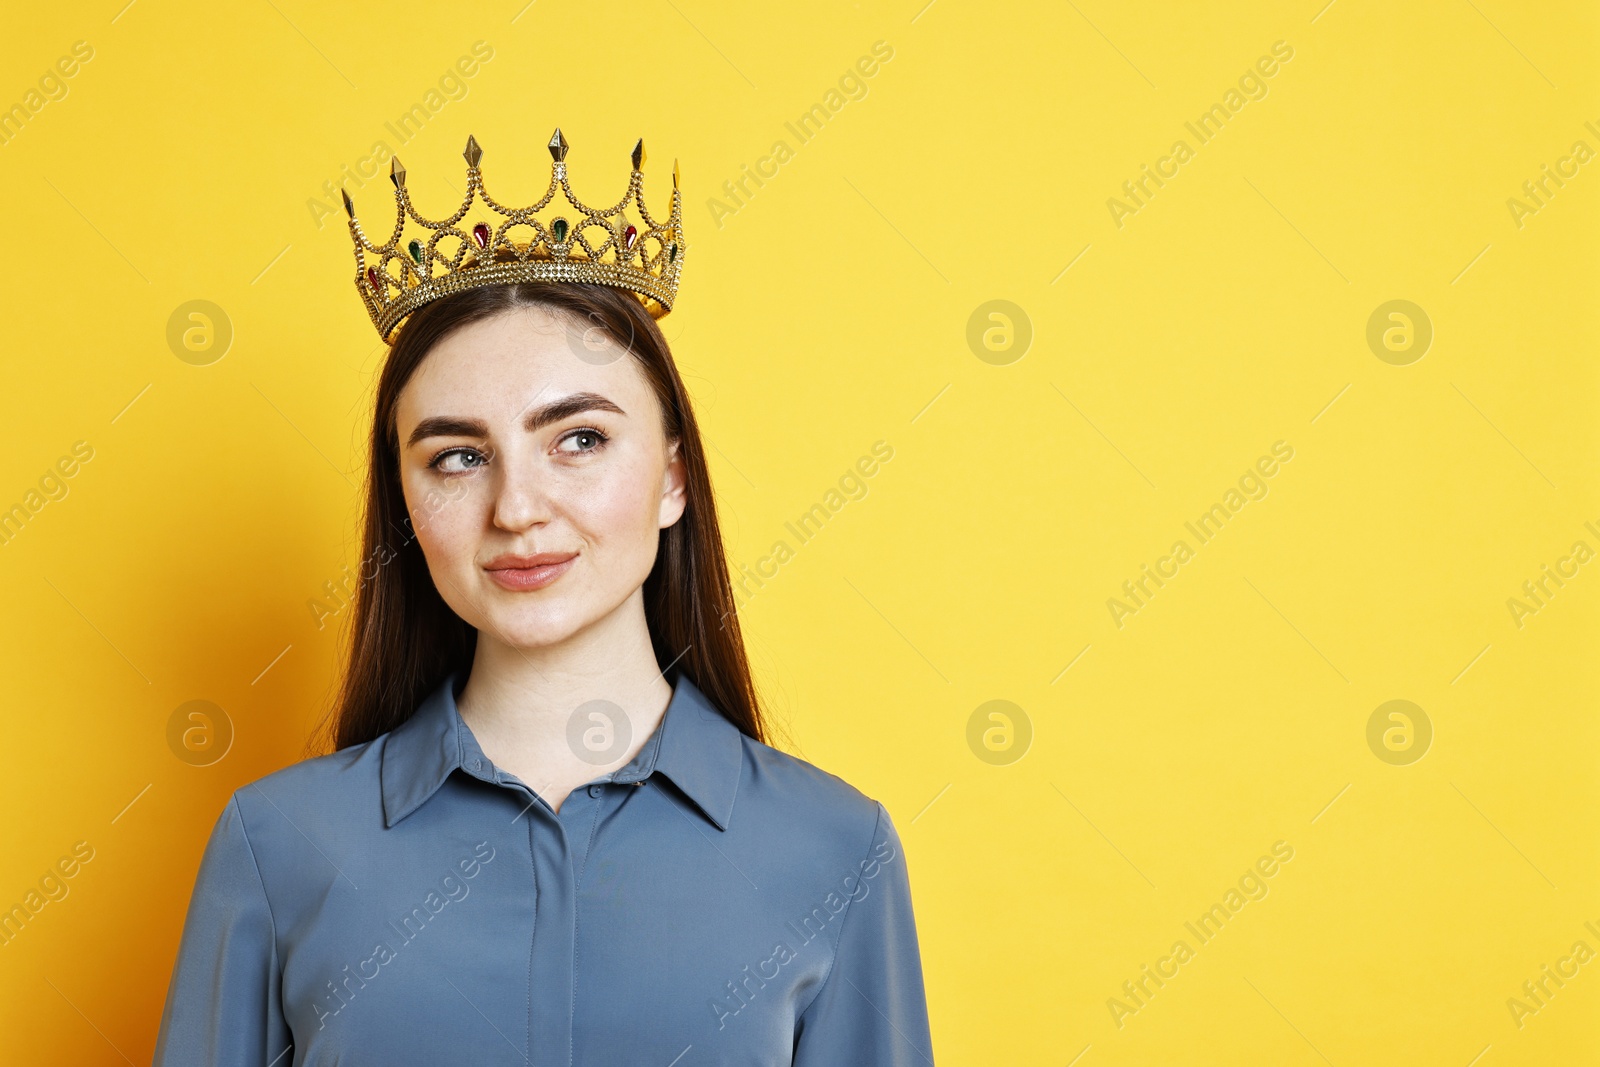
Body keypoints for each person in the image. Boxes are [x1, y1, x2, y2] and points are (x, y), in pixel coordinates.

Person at [151, 130, 935, 1065]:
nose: (517, 508)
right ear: (406, 499)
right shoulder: (278, 845)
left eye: (580, 439)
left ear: (674, 476)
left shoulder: (837, 851)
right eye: (459, 457)